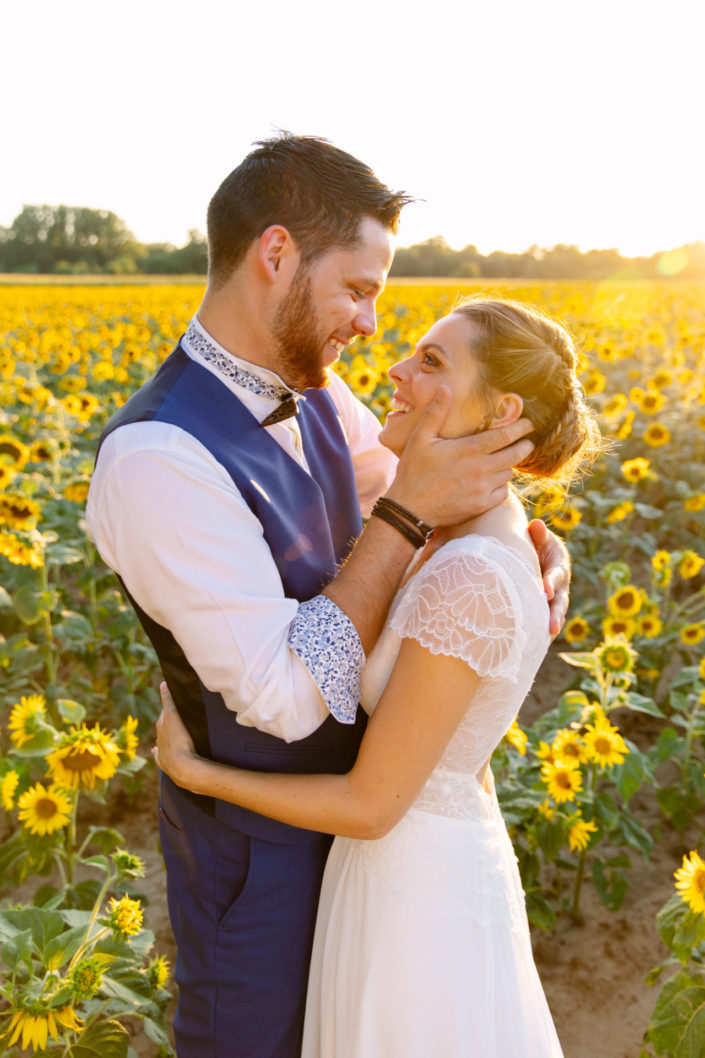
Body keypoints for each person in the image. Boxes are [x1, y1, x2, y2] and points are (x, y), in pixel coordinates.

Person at [86, 134, 570, 1058]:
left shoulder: (318, 399)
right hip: (256, 868)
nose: (370, 324)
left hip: (367, 849)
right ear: (276, 255)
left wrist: (528, 550)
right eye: (359, 289)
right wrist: (402, 520)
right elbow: (285, 696)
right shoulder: (157, 457)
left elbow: (449, 484)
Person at [154, 296, 601, 1058]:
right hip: (411, 872)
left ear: (502, 411)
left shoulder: (471, 574)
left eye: (430, 361)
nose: (394, 365)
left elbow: (369, 805)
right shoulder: (459, 538)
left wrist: (199, 772)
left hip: (412, 898)